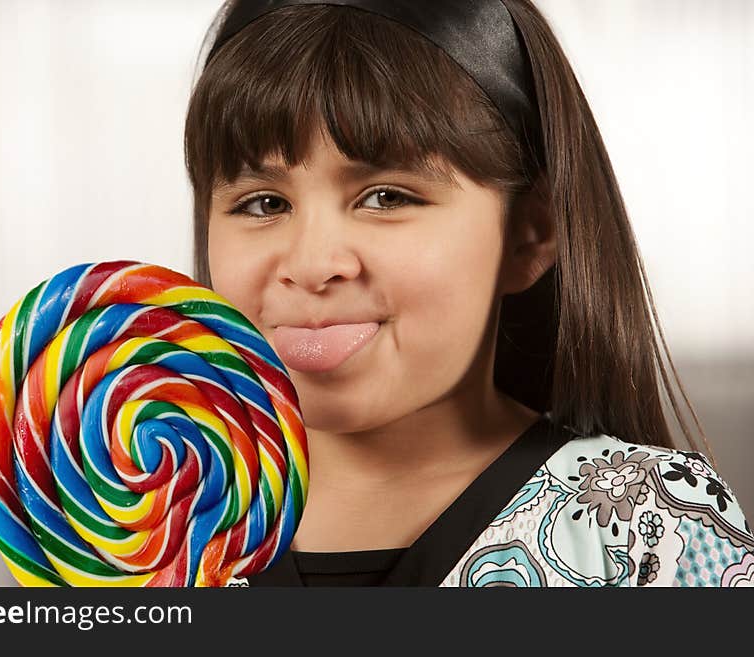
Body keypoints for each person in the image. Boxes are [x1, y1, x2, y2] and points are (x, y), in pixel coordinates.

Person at [182, 0, 754, 586]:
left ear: (530, 234)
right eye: (264, 204)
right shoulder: (141, 527)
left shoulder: (646, 533)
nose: (310, 265)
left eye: (387, 197)